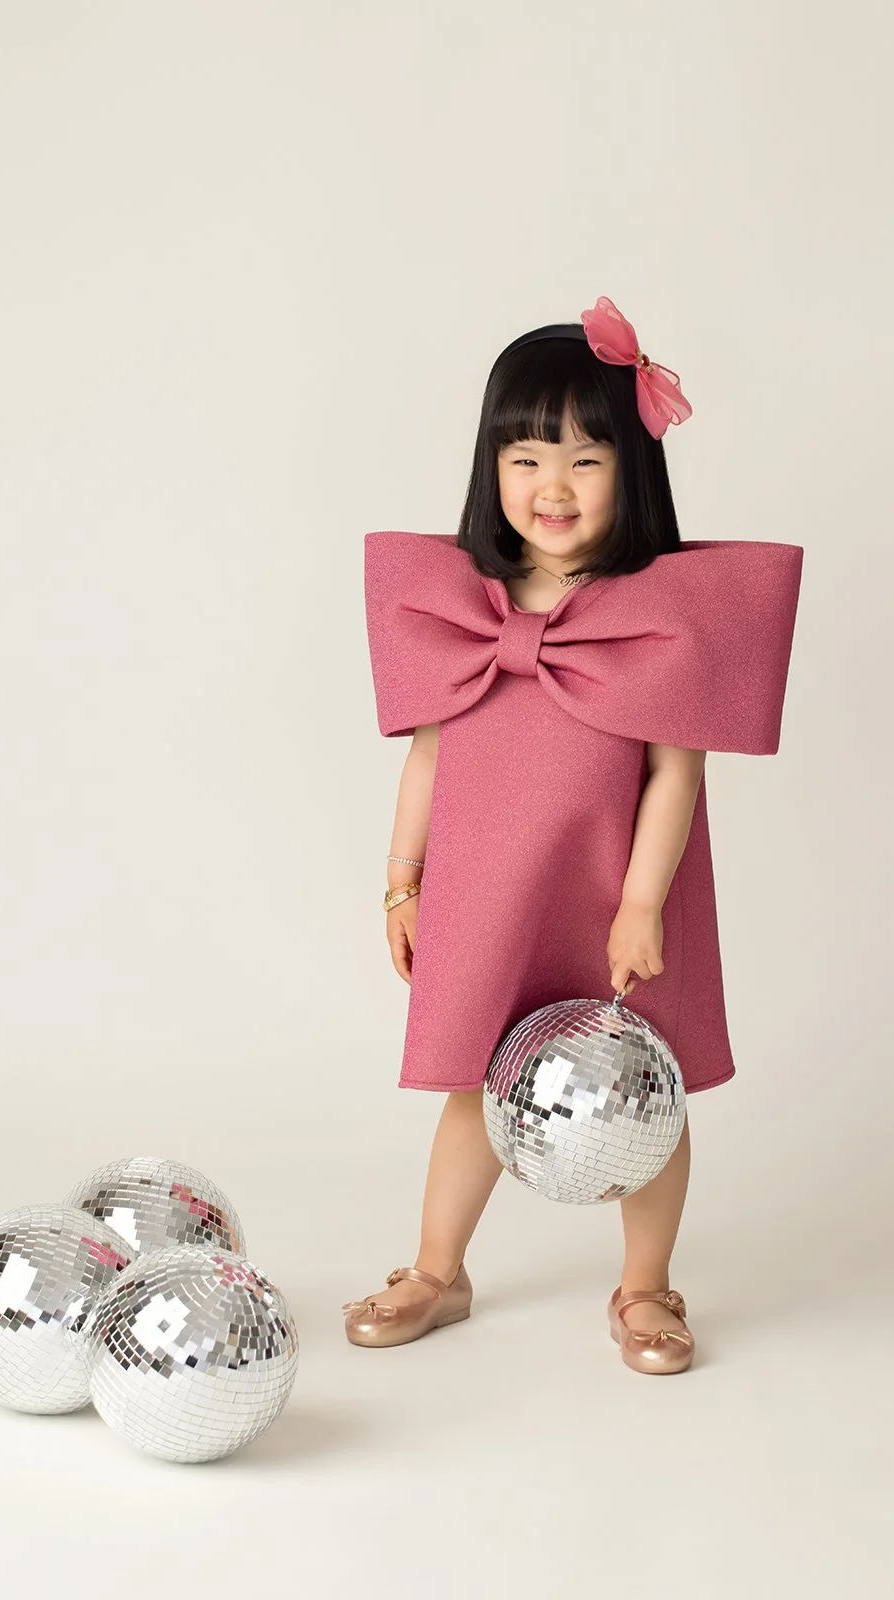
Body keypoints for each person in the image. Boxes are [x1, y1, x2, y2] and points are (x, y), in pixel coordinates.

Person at [343, 296, 804, 1373]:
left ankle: (644, 1284)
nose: (551, 486)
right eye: (524, 456)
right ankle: (436, 1266)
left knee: (642, 1077)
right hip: (486, 887)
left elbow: (672, 769)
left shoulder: (651, 611)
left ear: (630, 472)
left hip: (611, 896)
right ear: (489, 467)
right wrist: (401, 883)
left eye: (585, 459)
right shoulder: (467, 602)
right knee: (474, 1079)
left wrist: (641, 901)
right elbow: (428, 756)